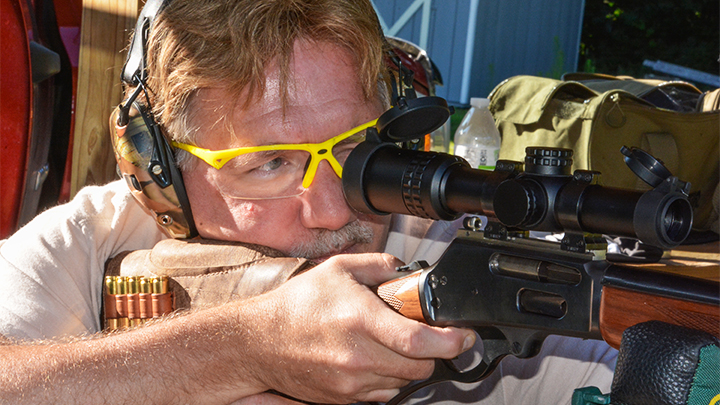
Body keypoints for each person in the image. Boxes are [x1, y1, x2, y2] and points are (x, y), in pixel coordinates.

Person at [0, 0, 617, 403]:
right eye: (269, 164)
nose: (331, 211)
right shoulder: (90, 244)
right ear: (159, 172)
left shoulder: (436, 247)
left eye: (353, 150)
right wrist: (239, 348)